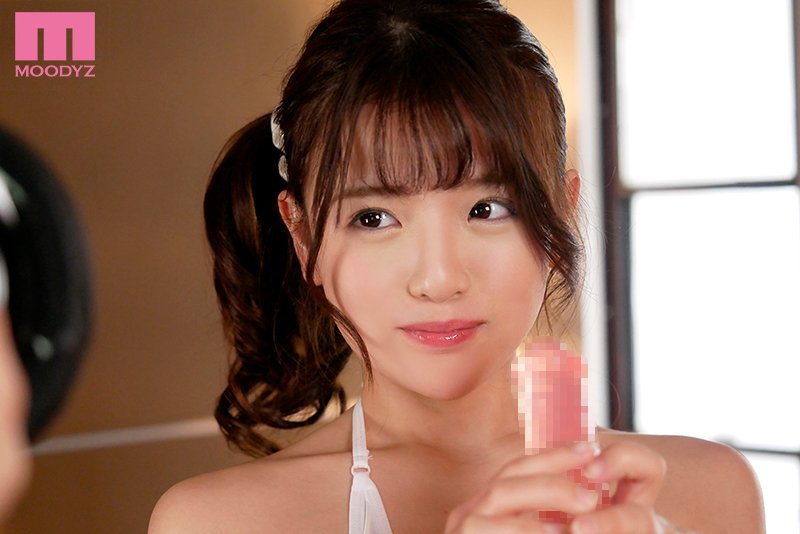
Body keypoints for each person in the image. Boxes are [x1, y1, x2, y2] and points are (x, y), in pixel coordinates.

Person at [149, 1, 765, 532]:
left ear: (560, 214)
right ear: (304, 235)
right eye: (373, 218)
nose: (439, 280)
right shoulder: (216, 522)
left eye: (486, 208)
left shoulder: (701, 494)